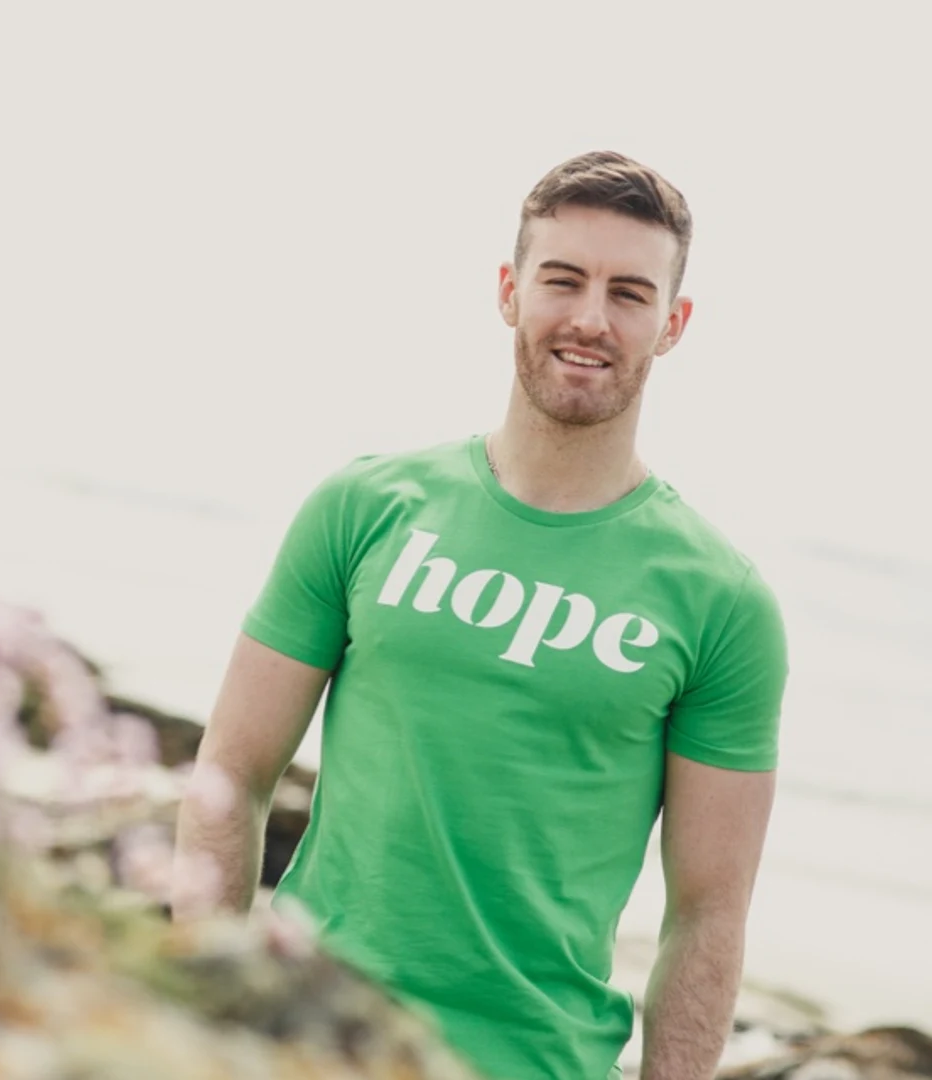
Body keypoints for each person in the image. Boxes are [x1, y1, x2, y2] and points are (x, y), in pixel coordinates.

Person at [172, 150, 789, 1080]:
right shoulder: (363, 508)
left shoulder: (723, 603)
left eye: (629, 293)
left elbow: (706, 917)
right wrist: (200, 1017)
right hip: (304, 1039)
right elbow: (231, 773)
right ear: (509, 291)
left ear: (673, 323)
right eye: (563, 280)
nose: (590, 319)